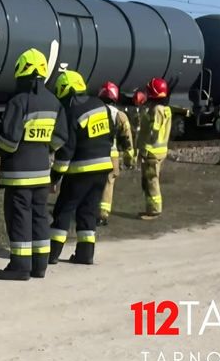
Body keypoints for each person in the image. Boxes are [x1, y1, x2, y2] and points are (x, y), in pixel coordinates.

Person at [0, 48, 69, 280]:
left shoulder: (18, 101)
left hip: (18, 174)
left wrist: (2, 150)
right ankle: (39, 266)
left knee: (19, 219)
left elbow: (9, 140)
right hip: (42, 174)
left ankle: (20, 267)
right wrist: (44, 148)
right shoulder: (54, 102)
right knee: (39, 218)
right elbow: (61, 137)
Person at [48, 70, 115, 265]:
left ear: (64, 90)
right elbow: (111, 133)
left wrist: (55, 176)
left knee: (64, 210)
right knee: (88, 211)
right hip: (103, 167)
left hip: (80, 171)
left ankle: (51, 254)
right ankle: (85, 255)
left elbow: (66, 150)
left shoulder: (71, 111)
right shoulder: (100, 105)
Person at [98, 82, 135, 225]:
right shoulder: (120, 115)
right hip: (112, 155)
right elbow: (127, 139)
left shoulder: (95, 111)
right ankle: (102, 215)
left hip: (96, 154)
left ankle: (89, 210)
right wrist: (129, 159)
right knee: (108, 183)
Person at [137, 78, 172, 221]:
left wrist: (148, 141)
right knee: (151, 180)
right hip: (159, 151)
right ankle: (150, 208)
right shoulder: (166, 109)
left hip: (152, 152)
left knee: (151, 180)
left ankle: (154, 210)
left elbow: (154, 130)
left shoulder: (156, 110)